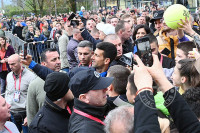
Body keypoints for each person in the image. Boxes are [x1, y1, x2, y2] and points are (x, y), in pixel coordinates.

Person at [26, 48, 61, 126]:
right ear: (43, 64)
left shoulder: (66, 77)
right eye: (54, 60)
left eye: (59, 58)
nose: (58, 62)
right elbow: (31, 114)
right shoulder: (34, 85)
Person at [5, 54, 36, 133]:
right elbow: (7, 93)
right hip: (12, 113)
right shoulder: (9, 76)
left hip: (25, 114)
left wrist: (29, 116)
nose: (10, 66)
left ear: (20, 63)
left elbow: (33, 98)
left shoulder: (31, 77)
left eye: (13, 64)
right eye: (9, 64)